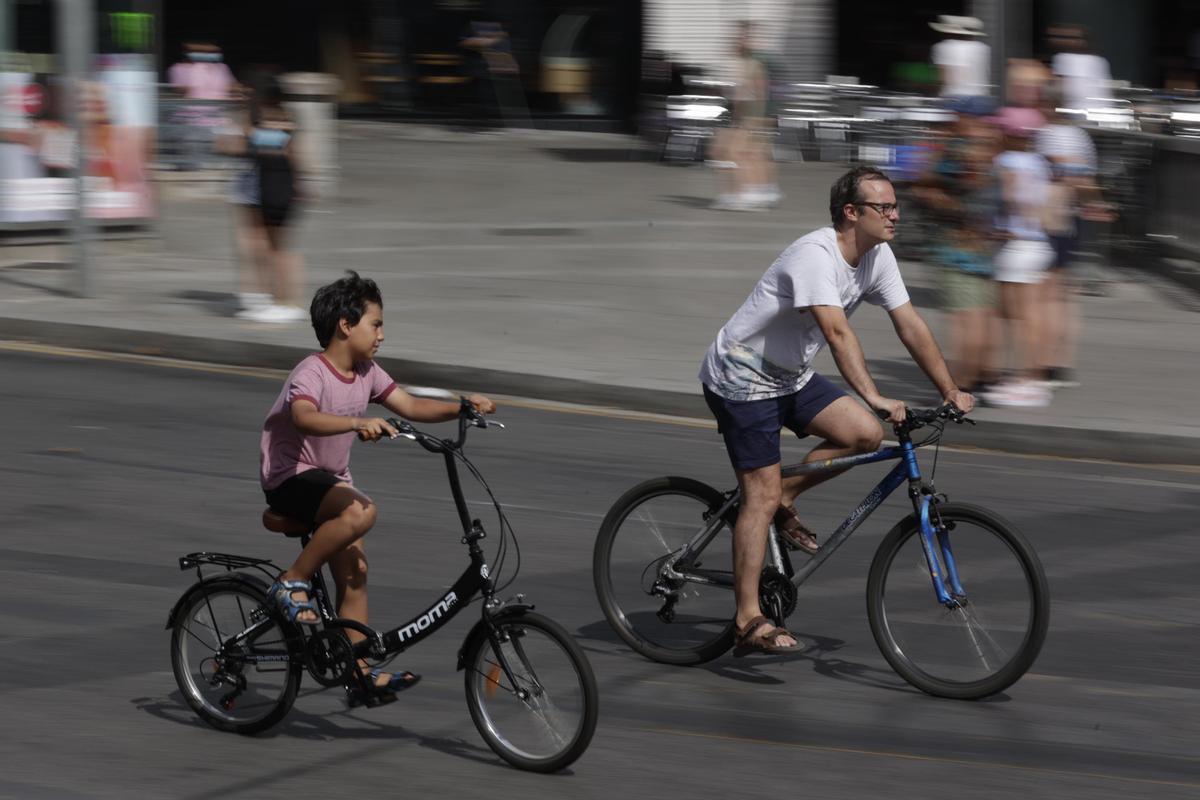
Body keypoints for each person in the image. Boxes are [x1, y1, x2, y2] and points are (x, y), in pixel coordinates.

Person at [698, 166, 974, 655]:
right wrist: (876, 395)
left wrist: (950, 388)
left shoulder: (878, 256)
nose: (895, 214)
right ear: (852, 212)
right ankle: (746, 616)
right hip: (741, 375)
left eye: (895, 205)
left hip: (790, 374)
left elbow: (908, 324)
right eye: (883, 207)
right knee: (758, 496)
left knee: (864, 435)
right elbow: (837, 333)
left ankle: (778, 499)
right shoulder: (815, 256)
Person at [260, 272, 496, 706]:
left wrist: (459, 406)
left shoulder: (365, 371)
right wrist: (357, 422)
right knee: (362, 511)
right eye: (377, 324)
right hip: (290, 477)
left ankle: (360, 674)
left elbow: (409, 405)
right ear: (345, 326)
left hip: (328, 481)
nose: (382, 335)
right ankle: (292, 580)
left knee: (356, 576)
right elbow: (304, 417)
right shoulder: (311, 372)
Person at [915, 97, 1003, 394]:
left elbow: (924, 183)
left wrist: (938, 199)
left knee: (967, 319)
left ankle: (960, 386)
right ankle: (984, 376)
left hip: (956, 248)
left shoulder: (957, 149)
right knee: (983, 316)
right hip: (986, 247)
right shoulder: (995, 150)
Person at [984, 106, 1055, 408]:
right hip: (1037, 242)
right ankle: (1033, 377)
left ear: (1013, 135)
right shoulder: (1040, 162)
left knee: (1016, 319)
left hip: (1014, 244)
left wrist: (1000, 221)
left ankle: (1024, 381)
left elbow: (1011, 196)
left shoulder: (1007, 161)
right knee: (1031, 317)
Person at [929, 15, 991, 100]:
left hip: (955, 99)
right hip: (981, 98)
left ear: (947, 32)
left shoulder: (943, 47)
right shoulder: (984, 48)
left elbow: (944, 79)